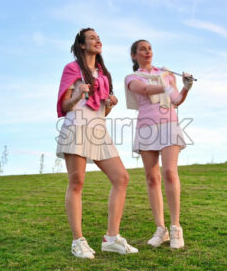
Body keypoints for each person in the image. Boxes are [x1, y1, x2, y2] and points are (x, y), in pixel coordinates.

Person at [56, 28, 138, 259]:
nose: (97, 40)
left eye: (98, 37)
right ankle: (78, 241)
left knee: (121, 178)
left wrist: (110, 103)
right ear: (82, 45)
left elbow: (104, 110)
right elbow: (65, 106)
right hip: (77, 126)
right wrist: (77, 95)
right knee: (77, 182)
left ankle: (111, 239)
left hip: (98, 128)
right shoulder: (72, 69)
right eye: (92, 37)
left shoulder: (103, 74)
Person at [124, 39, 194, 249]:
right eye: (142, 49)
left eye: (150, 48)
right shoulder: (132, 77)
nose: (147, 51)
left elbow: (175, 100)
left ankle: (175, 227)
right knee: (151, 178)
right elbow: (144, 89)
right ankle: (161, 229)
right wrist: (164, 83)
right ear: (134, 56)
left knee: (170, 173)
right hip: (146, 127)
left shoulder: (165, 74)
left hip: (169, 124)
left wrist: (185, 88)